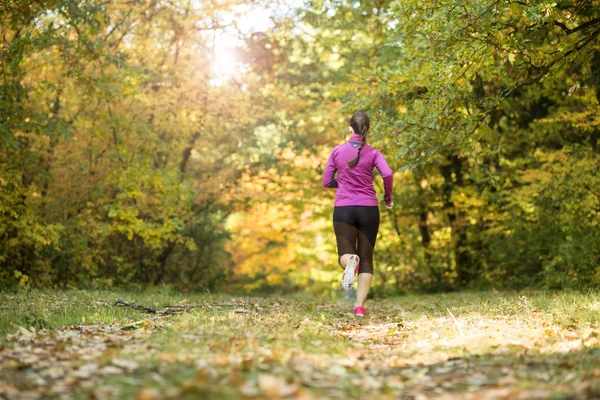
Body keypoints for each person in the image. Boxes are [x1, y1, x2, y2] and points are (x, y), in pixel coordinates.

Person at [322, 111, 393, 317]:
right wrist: (387, 198)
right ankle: (359, 306)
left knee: (344, 254)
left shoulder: (337, 151)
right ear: (368, 130)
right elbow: (387, 173)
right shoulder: (373, 153)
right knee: (367, 259)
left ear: (349, 128)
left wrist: (342, 183)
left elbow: (327, 181)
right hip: (368, 209)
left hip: (344, 208)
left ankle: (349, 260)